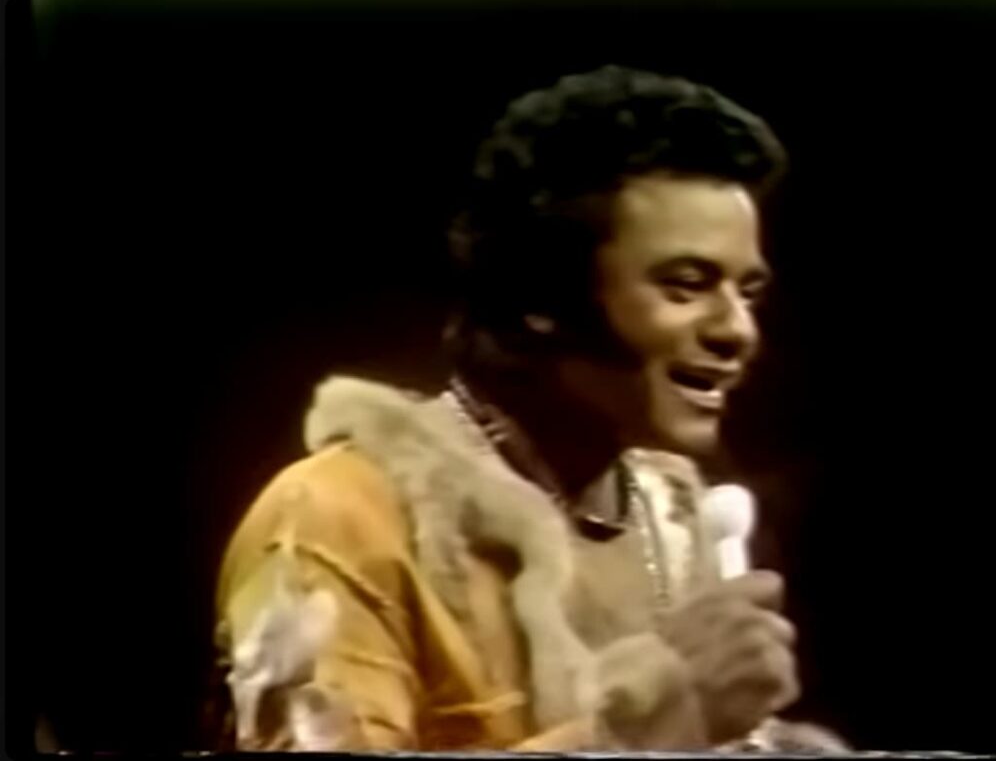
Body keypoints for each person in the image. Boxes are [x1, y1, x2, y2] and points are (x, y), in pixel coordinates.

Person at [210, 65, 847, 752]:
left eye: (747, 292)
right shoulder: (337, 515)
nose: (738, 331)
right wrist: (651, 717)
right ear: (540, 295)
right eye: (686, 285)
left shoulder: (675, 517)